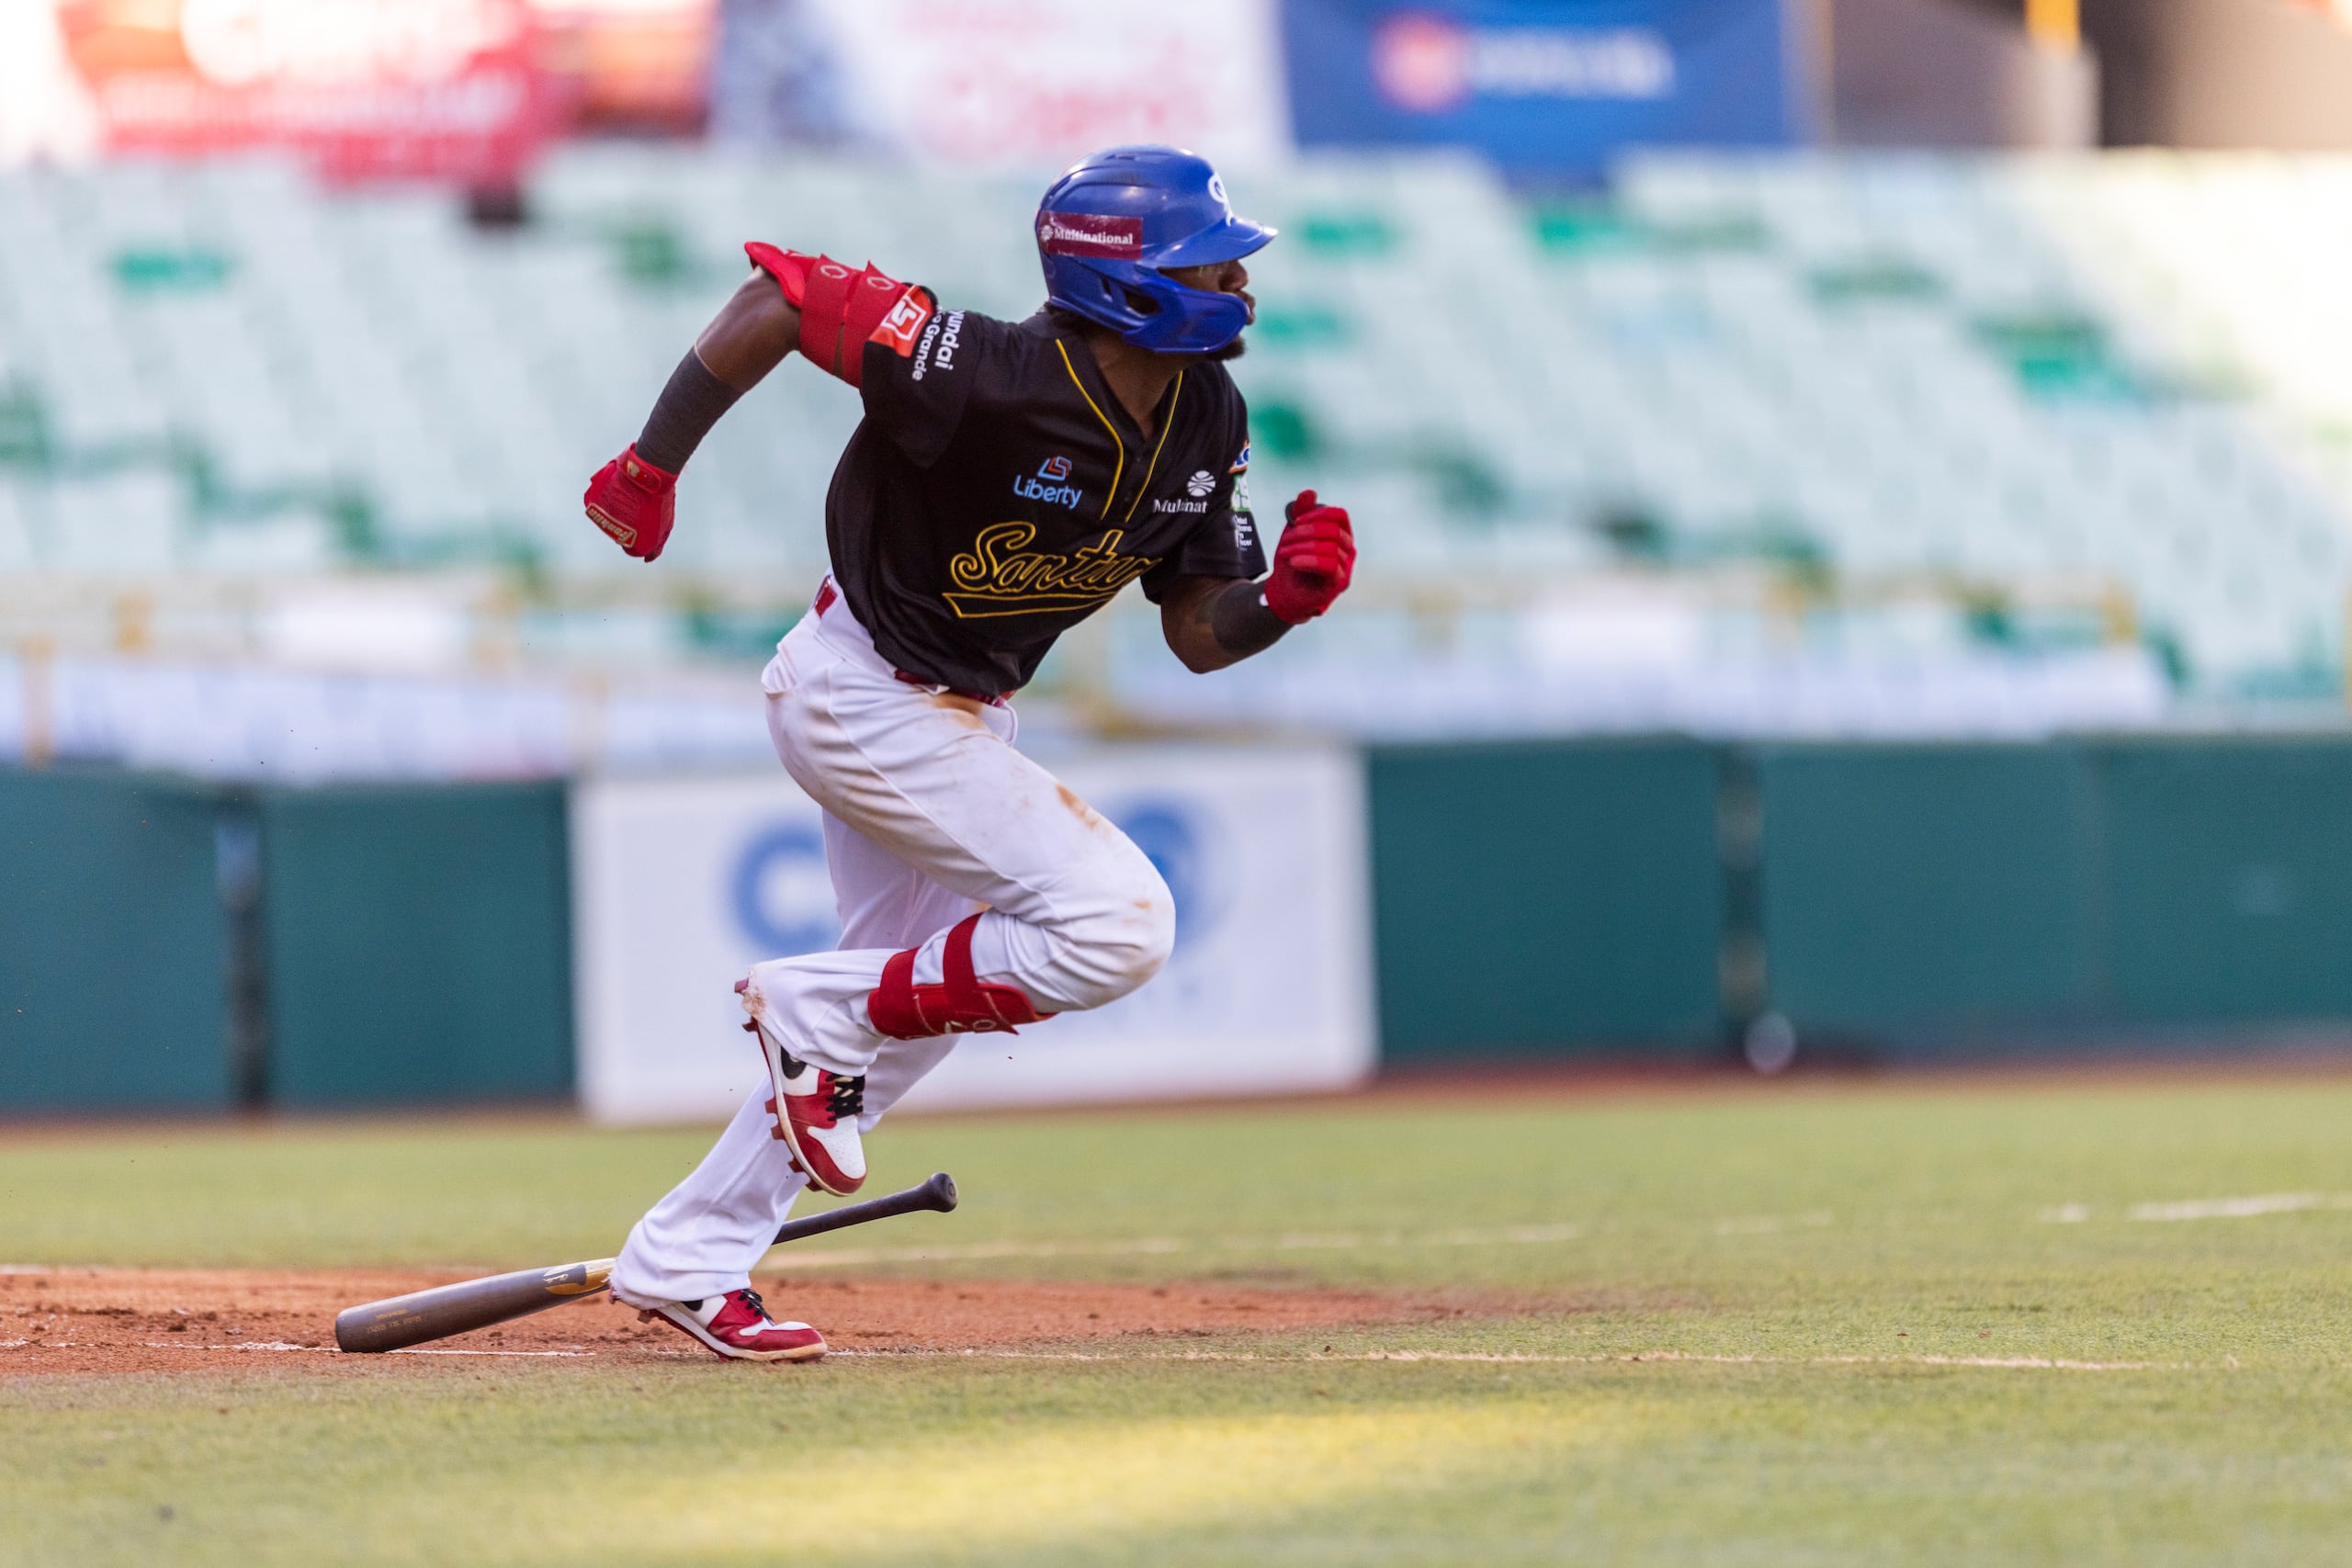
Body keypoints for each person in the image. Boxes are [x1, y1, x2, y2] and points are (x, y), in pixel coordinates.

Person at [579, 145, 1357, 1362]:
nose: (1240, 281)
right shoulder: (983, 369)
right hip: (858, 692)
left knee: (912, 1019)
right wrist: (649, 462)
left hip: (957, 714)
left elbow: (1198, 632)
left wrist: (1283, 605)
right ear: (1135, 283)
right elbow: (782, 297)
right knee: (1120, 923)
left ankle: (689, 1255)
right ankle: (806, 1010)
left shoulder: (1211, 415)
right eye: (1213, 259)